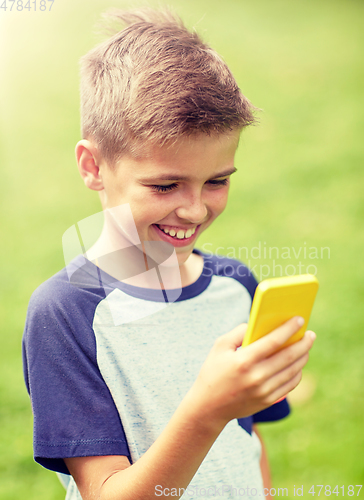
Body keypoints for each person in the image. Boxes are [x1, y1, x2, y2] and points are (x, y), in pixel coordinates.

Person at [22, 8, 316, 500]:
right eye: (165, 185)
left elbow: (249, 443)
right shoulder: (65, 313)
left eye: (218, 181)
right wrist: (206, 410)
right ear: (93, 166)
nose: (196, 209)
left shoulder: (235, 285)